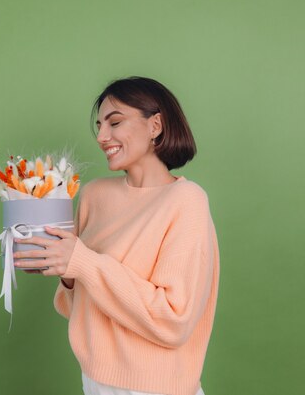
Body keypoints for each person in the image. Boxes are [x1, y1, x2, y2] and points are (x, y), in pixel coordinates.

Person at [12, 76, 220, 395]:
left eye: (115, 122)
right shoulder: (94, 196)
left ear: (155, 126)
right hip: (95, 382)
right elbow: (75, 305)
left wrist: (81, 262)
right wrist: (64, 271)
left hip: (157, 389)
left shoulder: (187, 201)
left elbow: (174, 319)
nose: (101, 136)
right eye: (99, 126)